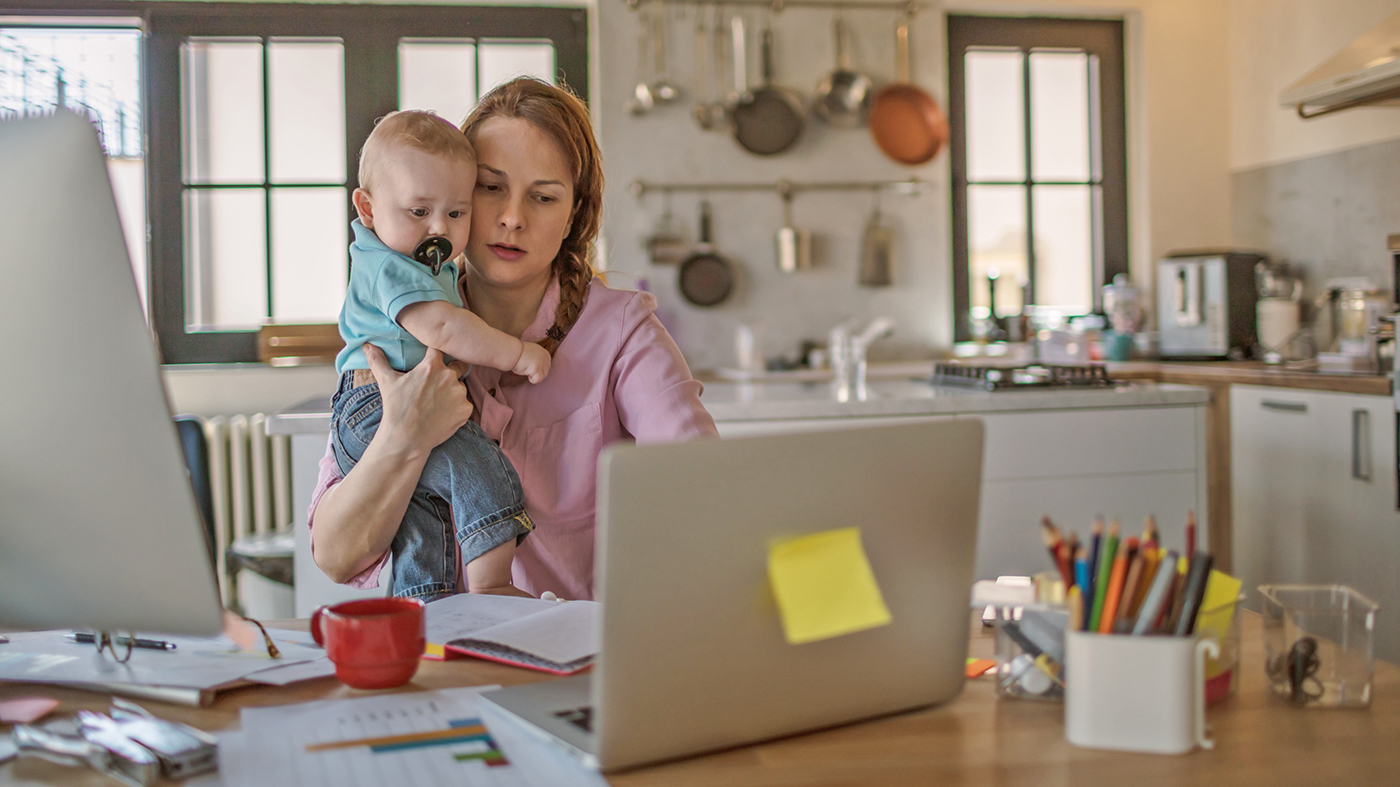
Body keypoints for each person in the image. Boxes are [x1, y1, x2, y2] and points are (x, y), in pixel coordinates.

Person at [309, 78, 718, 600]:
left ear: (574, 214)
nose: (511, 218)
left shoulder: (623, 333)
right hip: (442, 664)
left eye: (543, 197)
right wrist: (404, 433)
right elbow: (337, 557)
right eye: (490, 187)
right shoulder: (396, 334)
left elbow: (705, 485)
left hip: (578, 663)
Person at [331, 110, 551, 602]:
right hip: (374, 401)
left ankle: (426, 604)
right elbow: (445, 327)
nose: (439, 228)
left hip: (385, 400)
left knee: (424, 512)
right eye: (418, 212)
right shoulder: (390, 266)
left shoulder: (414, 263)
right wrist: (517, 354)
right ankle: (493, 583)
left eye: (455, 213)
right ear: (367, 209)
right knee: (478, 464)